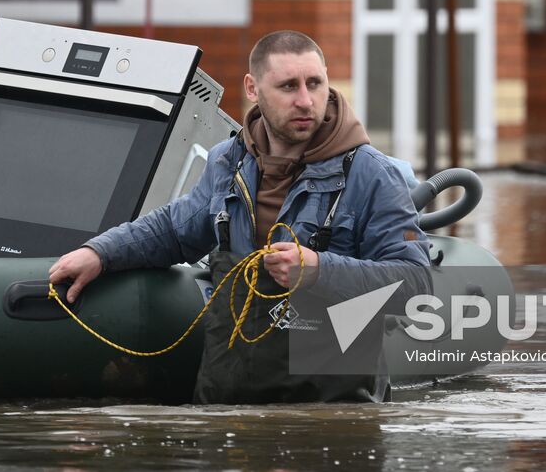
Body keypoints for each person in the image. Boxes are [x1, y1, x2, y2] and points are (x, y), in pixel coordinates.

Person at [48, 29, 431, 403]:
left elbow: (416, 287)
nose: (305, 100)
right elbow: (172, 229)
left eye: (315, 84)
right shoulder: (227, 162)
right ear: (252, 89)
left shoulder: (374, 175)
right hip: (231, 405)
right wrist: (100, 253)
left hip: (333, 412)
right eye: (288, 86)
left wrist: (318, 271)